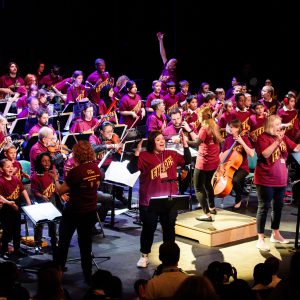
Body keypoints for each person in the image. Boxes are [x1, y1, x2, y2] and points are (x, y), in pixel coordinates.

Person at [127, 130, 191, 268]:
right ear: (152, 143)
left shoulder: (172, 154)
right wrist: (136, 153)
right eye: (158, 140)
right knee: (149, 228)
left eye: (162, 139)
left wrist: (185, 144)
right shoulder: (144, 156)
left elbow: (187, 160)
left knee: (169, 229)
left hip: (169, 199)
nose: (162, 141)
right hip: (149, 201)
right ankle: (144, 256)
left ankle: (170, 260)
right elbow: (131, 169)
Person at [56, 140, 101, 283]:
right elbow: (96, 185)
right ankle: (87, 275)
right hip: (90, 211)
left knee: (63, 242)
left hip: (74, 211)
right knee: (85, 244)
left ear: (76, 154)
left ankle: (59, 272)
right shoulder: (96, 168)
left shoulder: (75, 172)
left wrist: (55, 179)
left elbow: (60, 191)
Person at [254, 115, 300, 251]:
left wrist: (282, 139)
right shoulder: (262, 137)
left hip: (281, 179)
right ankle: (260, 239)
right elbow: (266, 154)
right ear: (269, 125)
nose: (280, 127)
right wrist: (277, 141)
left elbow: (296, 149)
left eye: (280, 124)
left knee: (278, 208)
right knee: (263, 208)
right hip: (265, 179)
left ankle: (276, 234)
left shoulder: (283, 137)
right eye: (277, 124)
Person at [193, 106, 223, 222]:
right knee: (207, 183)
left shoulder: (204, 129)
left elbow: (196, 143)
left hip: (204, 163)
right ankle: (212, 207)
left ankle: (207, 214)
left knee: (198, 188)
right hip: (214, 161)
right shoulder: (215, 125)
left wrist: (182, 140)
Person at [30, 152, 63, 255]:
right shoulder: (36, 176)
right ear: (39, 162)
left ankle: (55, 242)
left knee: (53, 223)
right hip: (40, 202)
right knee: (39, 224)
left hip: (52, 201)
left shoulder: (52, 173)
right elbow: (34, 191)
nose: (46, 163)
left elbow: (55, 188)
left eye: (48, 161)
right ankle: (37, 244)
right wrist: (42, 196)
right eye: (44, 161)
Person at [0, 158, 31, 259]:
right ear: (1, 169)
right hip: (6, 208)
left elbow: (23, 190)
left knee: (17, 229)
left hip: (16, 206)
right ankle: (4, 250)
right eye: (7, 167)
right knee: (7, 230)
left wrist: (28, 202)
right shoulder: (1, 181)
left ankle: (17, 249)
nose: (10, 168)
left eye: (11, 166)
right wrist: (9, 203)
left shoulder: (16, 179)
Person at [220, 119, 254, 209]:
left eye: (232, 127)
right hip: (229, 166)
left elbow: (251, 154)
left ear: (238, 128)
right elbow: (221, 156)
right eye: (229, 127)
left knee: (235, 180)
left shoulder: (245, 139)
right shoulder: (228, 140)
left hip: (243, 168)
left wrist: (242, 142)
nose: (230, 129)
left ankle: (238, 199)